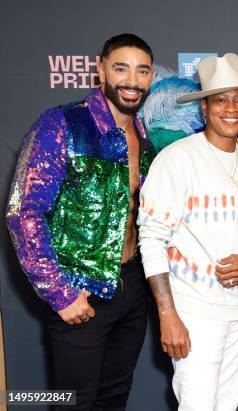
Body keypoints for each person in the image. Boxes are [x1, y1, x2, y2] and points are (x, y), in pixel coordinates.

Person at [6, 33, 155, 410]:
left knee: (115, 396)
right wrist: (60, 292)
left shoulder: (144, 136)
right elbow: (24, 211)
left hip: (133, 286)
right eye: (121, 68)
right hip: (81, 290)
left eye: (142, 71)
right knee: (74, 402)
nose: (132, 81)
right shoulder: (62, 123)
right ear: (99, 70)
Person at [137, 53, 238, 411]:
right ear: (204, 108)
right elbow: (151, 237)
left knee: (226, 405)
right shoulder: (178, 159)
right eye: (220, 100)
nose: (231, 108)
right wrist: (168, 314)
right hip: (193, 310)